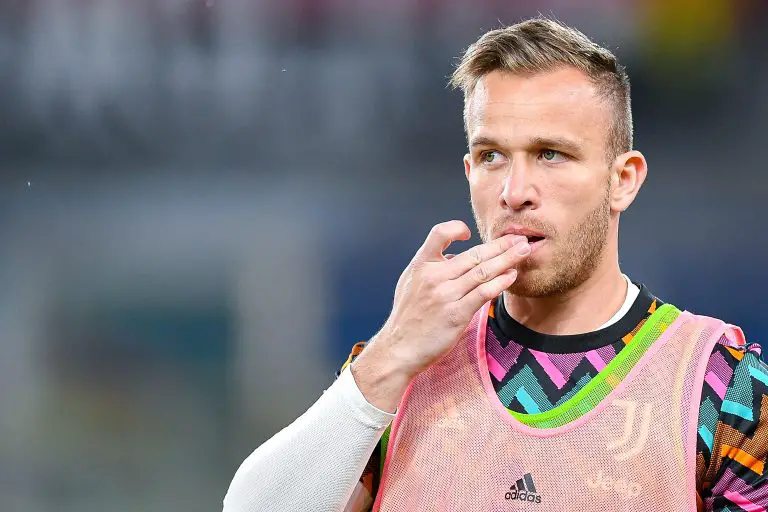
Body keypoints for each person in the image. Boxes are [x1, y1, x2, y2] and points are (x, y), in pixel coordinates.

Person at [223, 18, 768, 511]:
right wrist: (389, 355)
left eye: (550, 154)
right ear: (468, 171)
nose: (515, 191)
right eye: (492, 156)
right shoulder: (400, 371)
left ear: (622, 179)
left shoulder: (723, 384)